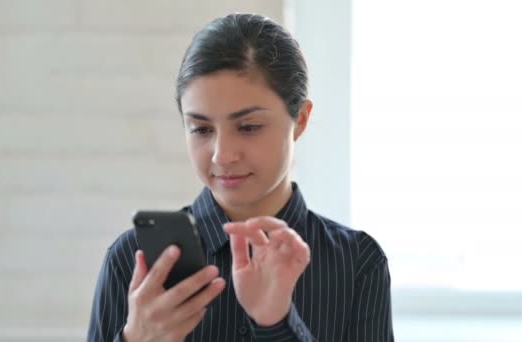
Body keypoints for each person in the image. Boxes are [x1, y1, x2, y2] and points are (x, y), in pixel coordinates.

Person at [87, 13, 393, 342]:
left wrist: (278, 323)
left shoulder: (357, 262)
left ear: (300, 120)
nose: (222, 154)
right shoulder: (131, 260)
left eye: (248, 127)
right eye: (202, 129)